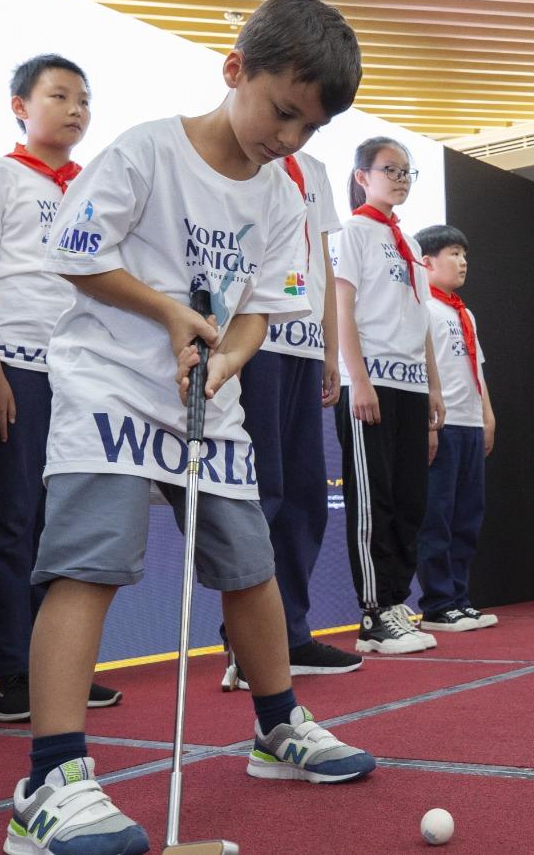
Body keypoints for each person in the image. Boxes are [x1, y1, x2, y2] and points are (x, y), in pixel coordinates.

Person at [9, 0, 376, 853]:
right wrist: (170, 313)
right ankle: (50, 780)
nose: (290, 138)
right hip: (110, 388)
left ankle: (277, 726)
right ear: (235, 70)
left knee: (250, 568)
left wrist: (225, 359)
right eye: (282, 111)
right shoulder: (147, 150)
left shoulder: (283, 195)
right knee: (88, 565)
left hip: (208, 404)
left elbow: (259, 310)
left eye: (310, 127)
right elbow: (76, 255)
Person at [0, 54, 124, 722]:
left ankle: (61, 667)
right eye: (59, 95)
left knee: (69, 526)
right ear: (20, 106)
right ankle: (12, 673)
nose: (76, 109)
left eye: (85, 98)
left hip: (84, 376)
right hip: (18, 369)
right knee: (12, 519)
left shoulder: (95, 189)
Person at [221, 138, 362, 686]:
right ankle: (246, 644)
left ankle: (292, 634)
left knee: (306, 496)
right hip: (254, 340)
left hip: (305, 347)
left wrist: (329, 351)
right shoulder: (241, 152)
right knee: (264, 493)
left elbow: (321, 258)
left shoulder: (315, 169)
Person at [333, 136, 445, 655]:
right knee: (373, 498)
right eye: (389, 170)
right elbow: (342, 307)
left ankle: (397, 601)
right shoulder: (352, 232)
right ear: (362, 177)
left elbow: (421, 320)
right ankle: (374, 612)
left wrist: (433, 385)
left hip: (411, 383)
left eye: (406, 172)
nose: (400, 180)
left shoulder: (412, 247)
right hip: (372, 381)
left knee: (409, 499)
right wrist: (357, 378)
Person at [414, 224, 499, 631]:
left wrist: (488, 415)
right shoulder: (423, 308)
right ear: (427, 262)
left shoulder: (465, 313)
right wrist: (428, 425)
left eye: (464, 254)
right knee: (437, 517)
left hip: (470, 423)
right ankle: (437, 603)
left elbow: (475, 368)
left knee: (468, 517)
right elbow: (420, 369)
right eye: (453, 254)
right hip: (444, 425)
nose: (463, 262)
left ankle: (460, 598)